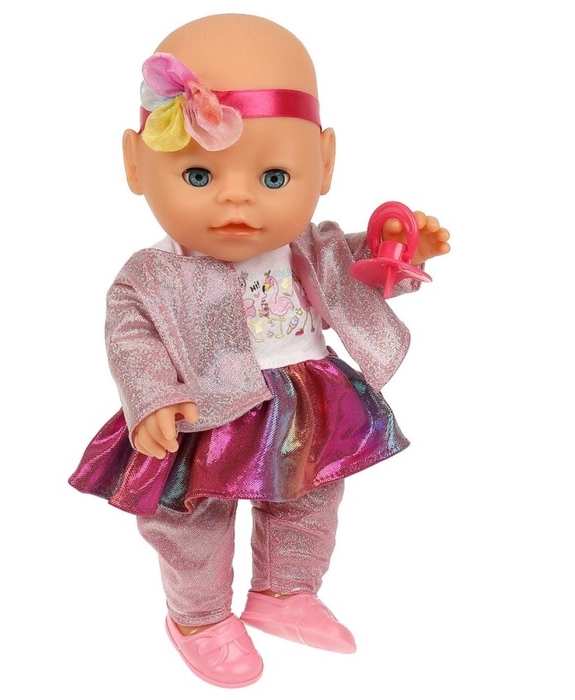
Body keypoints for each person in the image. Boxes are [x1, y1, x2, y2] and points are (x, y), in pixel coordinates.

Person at [69, 13, 450, 689]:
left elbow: (354, 272)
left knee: (310, 496)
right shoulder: (151, 275)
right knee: (193, 520)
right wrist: (152, 397)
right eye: (198, 176)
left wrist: (397, 250)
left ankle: (286, 589)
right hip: (202, 413)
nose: (237, 198)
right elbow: (130, 334)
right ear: (135, 164)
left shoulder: (309, 246)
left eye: (274, 178)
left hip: (306, 396)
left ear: (324, 164)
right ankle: (198, 617)